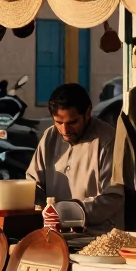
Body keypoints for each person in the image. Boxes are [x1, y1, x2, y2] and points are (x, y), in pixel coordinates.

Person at [26, 82, 124, 233]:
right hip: (54, 234)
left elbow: (113, 198)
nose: (65, 130)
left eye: (72, 122)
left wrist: (68, 212)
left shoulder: (107, 140)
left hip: (96, 237)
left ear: (88, 113)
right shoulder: (50, 136)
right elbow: (32, 184)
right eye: (59, 122)